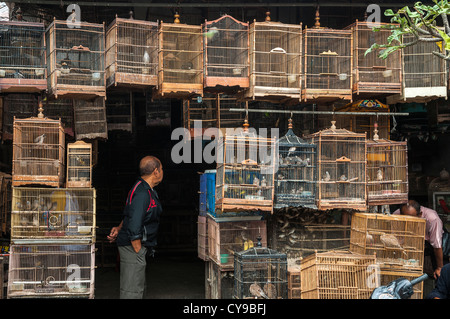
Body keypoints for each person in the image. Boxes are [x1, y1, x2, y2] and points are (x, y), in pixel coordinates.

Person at [107, 156, 164, 299]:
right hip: (132, 247)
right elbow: (134, 223)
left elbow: (130, 214)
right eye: (162, 168)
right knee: (132, 291)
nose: (163, 172)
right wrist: (138, 249)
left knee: (137, 287)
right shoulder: (142, 193)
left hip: (136, 246)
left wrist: (119, 228)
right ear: (156, 171)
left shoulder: (146, 189)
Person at [393, 200, 444, 279]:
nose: (408, 221)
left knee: (439, 274)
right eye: (405, 218)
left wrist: (440, 268)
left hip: (430, 242)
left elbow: (437, 246)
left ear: (420, 215)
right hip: (409, 241)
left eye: (412, 218)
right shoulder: (396, 215)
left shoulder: (432, 219)